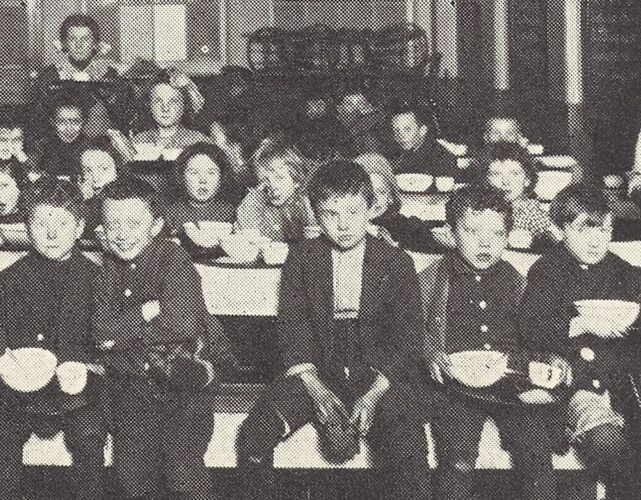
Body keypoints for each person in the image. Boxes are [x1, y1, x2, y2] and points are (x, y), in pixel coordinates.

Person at [236, 160, 431, 500]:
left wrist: (373, 395)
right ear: (315, 213)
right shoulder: (302, 257)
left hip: (377, 367)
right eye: (330, 214)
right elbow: (292, 327)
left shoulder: (396, 261)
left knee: (407, 439)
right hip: (315, 365)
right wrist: (315, 388)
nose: (343, 225)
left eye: (353, 212)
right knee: (254, 433)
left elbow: (408, 338)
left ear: (371, 208)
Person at [92, 176, 232, 500]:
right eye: (112, 224)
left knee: (182, 471)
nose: (122, 233)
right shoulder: (108, 268)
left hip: (185, 383)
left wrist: (119, 335)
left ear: (155, 226)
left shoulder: (173, 259)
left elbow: (181, 324)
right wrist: (143, 313)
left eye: (132, 223)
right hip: (132, 383)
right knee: (132, 474)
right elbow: (100, 332)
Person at [418, 185, 558, 500]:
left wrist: (544, 359)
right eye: (472, 231)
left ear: (508, 236)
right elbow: (410, 328)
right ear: (451, 233)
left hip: (510, 383)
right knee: (458, 461)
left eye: (497, 234)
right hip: (456, 387)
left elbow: (535, 333)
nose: (485, 242)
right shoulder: (432, 277)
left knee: (536, 451)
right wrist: (431, 354)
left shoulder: (516, 279)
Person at [0, 178, 106, 500]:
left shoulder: (96, 279)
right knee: (6, 434)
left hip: (77, 387)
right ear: (26, 226)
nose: (51, 234)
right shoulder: (9, 278)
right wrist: (2, 360)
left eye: (62, 224)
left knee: (88, 434)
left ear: (79, 228)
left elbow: (109, 338)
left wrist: (89, 367)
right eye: (40, 223)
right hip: (19, 386)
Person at [518, 185, 641, 499]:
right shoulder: (546, 270)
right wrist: (580, 323)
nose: (596, 240)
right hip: (577, 386)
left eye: (604, 229)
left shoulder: (628, 274)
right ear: (562, 229)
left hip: (626, 385)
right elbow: (530, 330)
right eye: (584, 229)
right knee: (609, 444)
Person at [34, 14, 126, 138]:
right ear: (65, 44)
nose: (79, 45)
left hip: (101, 148)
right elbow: (38, 122)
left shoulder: (109, 76)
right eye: (72, 39)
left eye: (85, 39)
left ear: (95, 44)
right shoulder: (50, 76)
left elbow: (122, 119)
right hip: (60, 149)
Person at [473, 142, 561, 246]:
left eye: (514, 174)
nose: (505, 182)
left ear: (527, 180)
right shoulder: (477, 207)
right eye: (496, 174)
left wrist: (534, 240)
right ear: (485, 180)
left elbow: (555, 236)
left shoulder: (529, 209)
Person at [234, 139, 317, 242]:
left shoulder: (307, 204)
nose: (273, 186)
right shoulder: (256, 202)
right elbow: (248, 242)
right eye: (265, 180)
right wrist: (253, 199)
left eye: (280, 178)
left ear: (296, 181)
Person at [163, 142, 239, 237]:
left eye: (211, 173)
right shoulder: (171, 213)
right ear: (182, 176)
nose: (203, 180)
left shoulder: (230, 213)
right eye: (194, 173)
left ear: (222, 177)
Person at [389, 104, 456, 177]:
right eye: (396, 131)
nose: (401, 136)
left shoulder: (440, 157)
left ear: (422, 131)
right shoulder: (401, 156)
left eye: (407, 129)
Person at [32, 97, 88, 179]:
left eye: (75, 122)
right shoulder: (41, 147)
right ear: (53, 122)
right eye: (62, 122)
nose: (69, 129)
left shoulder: (90, 147)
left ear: (83, 122)